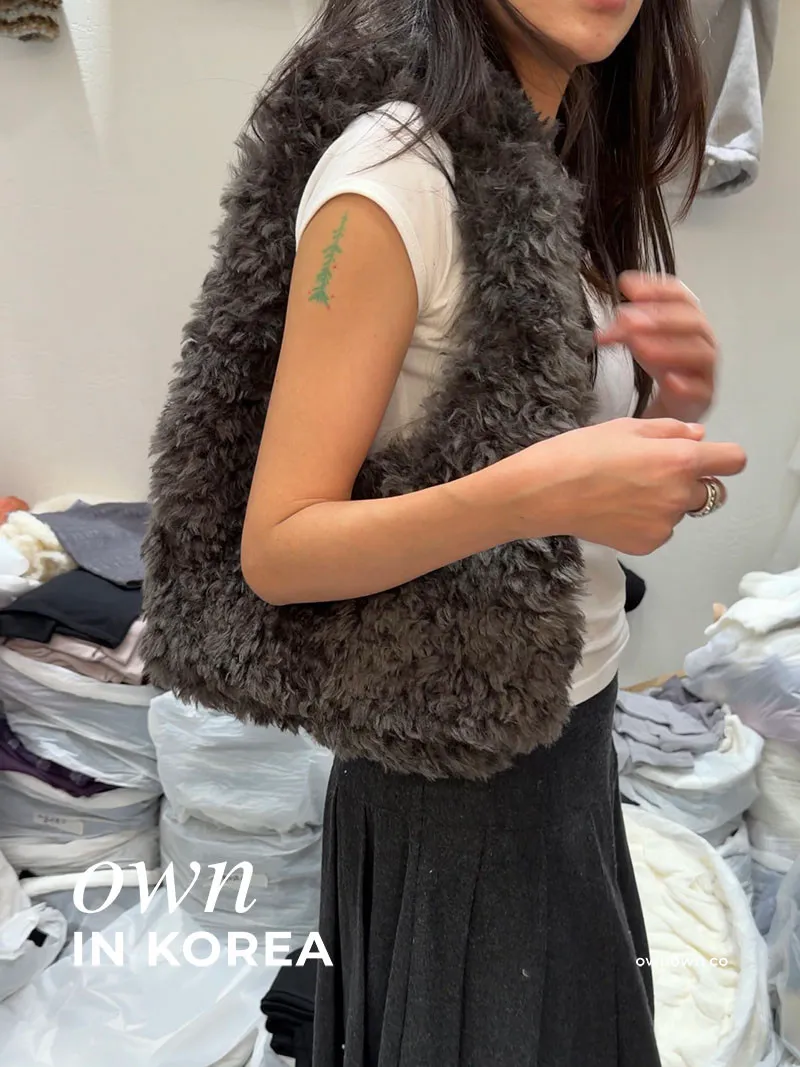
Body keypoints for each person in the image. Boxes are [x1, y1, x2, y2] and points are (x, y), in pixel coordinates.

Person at [145, 1, 748, 1064]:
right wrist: (533, 495)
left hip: (568, 740)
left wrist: (671, 406)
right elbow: (279, 547)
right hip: (456, 785)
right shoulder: (396, 177)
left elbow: (544, 465)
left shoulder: (539, 159)